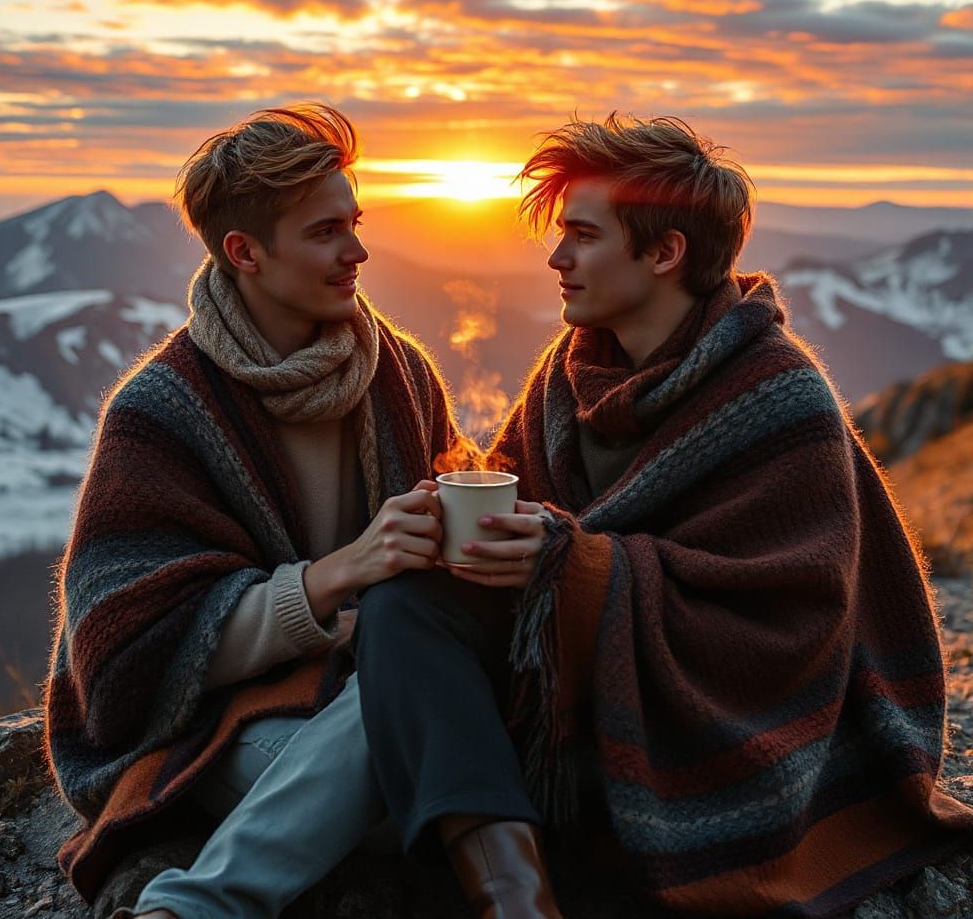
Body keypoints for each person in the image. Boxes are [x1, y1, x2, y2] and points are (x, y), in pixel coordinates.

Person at [357, 112, 973, 918]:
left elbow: (788, 624)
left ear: (663, 252)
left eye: (582, 234)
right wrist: (457, 526)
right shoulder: (566, 378)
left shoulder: (780, 399)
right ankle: (514, 897)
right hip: (574, 697)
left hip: (713, 729)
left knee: (423, 744)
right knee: (402, 607)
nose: (557, 257)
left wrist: (571, 567)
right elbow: (524, 508)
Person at [44, 103, 473, 919]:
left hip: (370, 679)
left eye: (355, 221)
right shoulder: (161, 412)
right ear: (244, 251)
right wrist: (332, 579)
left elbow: (452, 505)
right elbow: (124, 656)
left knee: (423, 728)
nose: (358, 251)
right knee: (405, 762)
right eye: (324, 233)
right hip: (217, 722)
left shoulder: (400, 374)